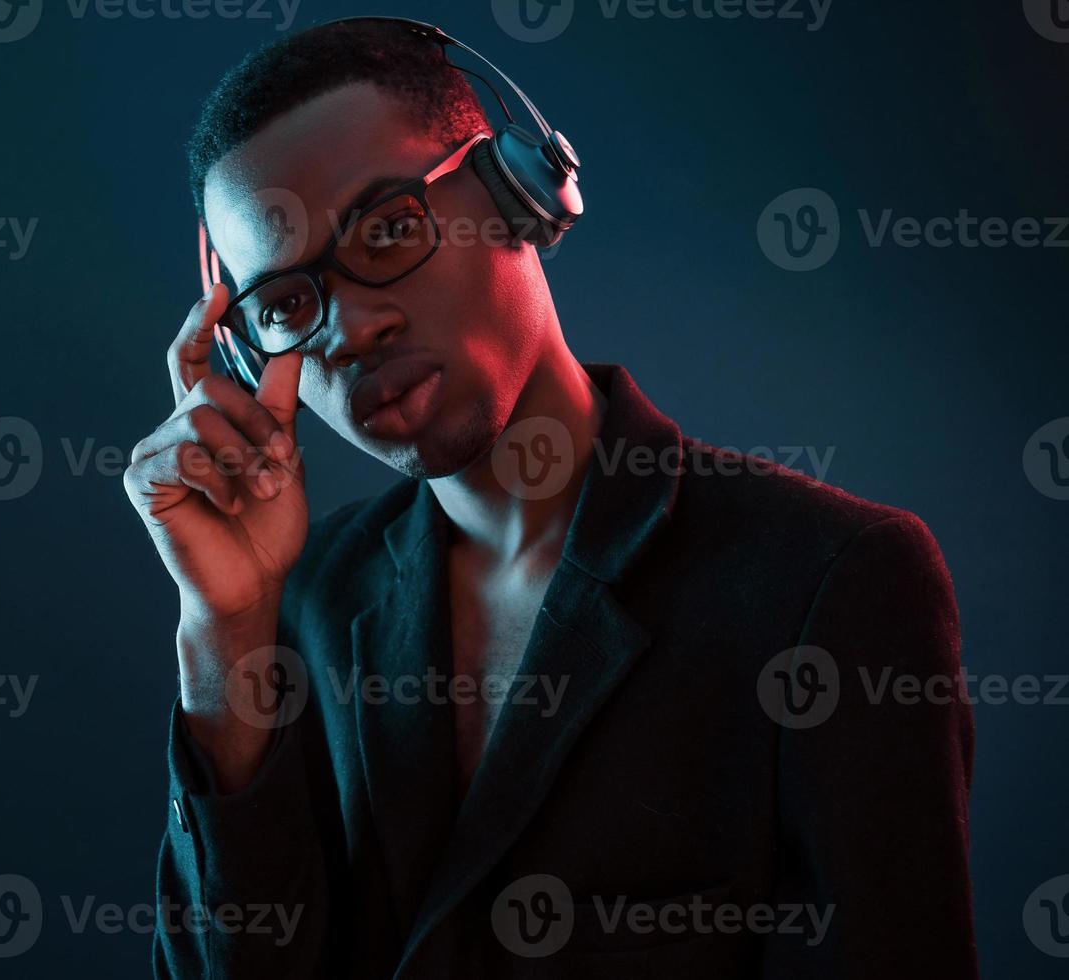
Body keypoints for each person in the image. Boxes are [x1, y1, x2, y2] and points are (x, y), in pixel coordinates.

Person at [122, 17, 977, 979]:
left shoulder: (828, 586)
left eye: (390, 228)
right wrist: (223, 629)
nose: (353, 328)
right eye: (284, 306)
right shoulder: (297, 610)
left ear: (519, 192)